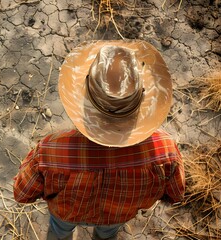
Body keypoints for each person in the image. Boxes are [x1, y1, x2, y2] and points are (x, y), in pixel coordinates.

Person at [13, 40, 185, 240]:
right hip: (117, 216)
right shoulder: (165, 150)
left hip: (65, 214)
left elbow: (22, 193)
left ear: (85, 100)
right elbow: (175, 194)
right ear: (141, 97)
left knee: (59, 233)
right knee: (107, 235)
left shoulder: (51, 150)